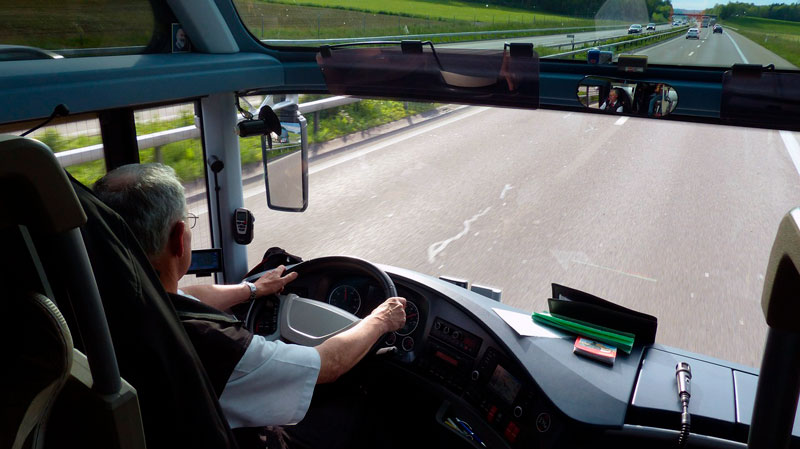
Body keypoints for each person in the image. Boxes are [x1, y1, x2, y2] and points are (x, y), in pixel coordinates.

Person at [93, 163, 407, 447]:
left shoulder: (110, 299)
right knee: (361, 409)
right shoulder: (215, 343)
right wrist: (381, 319)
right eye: (187, 223)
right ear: (179, 238)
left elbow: (191, 296)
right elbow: (330, 365)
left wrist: (253, 289)